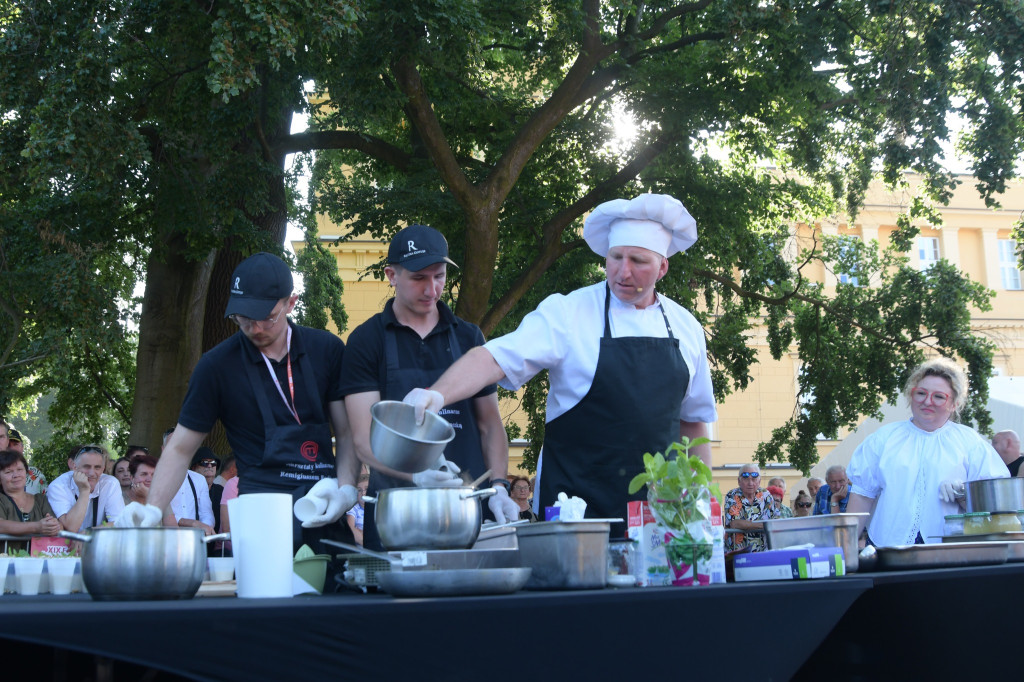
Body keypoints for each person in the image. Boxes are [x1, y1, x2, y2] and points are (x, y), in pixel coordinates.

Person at [403, 195, 717, 537]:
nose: (622, 272)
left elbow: (694, 422)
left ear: (662, 267)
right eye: (615, 258)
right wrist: (436, 395)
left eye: (638, 261)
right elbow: (494, 357)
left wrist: (700, 500)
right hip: (574, 514)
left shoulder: (686, 328)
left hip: (663, 517)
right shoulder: (569, 313)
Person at [123, 252, 360, 550]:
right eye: (244, 319)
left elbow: (348, 431)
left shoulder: (326, 350)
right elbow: (181, 448)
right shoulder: (217, 366)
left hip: (323, 504)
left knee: (334, 591)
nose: (255, 328)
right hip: (261, 515)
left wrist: (347, 488)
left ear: (291, 303)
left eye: (266, 317)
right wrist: (152, 511)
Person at [340, 224, 516, 548]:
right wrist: (417, 478)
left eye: (439, 277)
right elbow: (363, 440)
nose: (432, 290)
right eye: (419, 278)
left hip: (467, 509)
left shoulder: (468, 337)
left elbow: (490, 425)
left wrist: (500, 486)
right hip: (397, 514)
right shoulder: (366, 341)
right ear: (392, 275)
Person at [846, 358, 1009, 545]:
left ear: (954, 403)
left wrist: (966, 496)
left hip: (949, 549)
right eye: (921, 393)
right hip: (887, 545)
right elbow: (862, 495)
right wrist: (846, 548)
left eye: (939, 396)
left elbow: (994, 505)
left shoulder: (970, 443)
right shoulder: (883, 439)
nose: (927, 402)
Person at [47, 444, 125, 532]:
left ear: (103, 469)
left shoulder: (110, 483)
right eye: (86, 467)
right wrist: (84, 491)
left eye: (97, 467)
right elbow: (71, 527)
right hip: (65, 543)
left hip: (98, 540)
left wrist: (90, 532)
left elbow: (119, 523)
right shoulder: (58, 486)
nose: (92, 473)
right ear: (75, 467)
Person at [0, 449, 62, 547]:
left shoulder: (40, 500)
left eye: (20, 470)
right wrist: (37, 527)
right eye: (8, 472)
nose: (16, 475)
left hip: (38, 561)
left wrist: (54, 525)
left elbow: (58, 526)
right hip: (6, 561)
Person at [724, 464, 780, 552]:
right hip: (738, 552)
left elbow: (775, 520)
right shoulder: (732, 495)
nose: (750, 483)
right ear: (739, 481)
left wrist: (748, 525)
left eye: (754, 479)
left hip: (763, 551)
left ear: (759, 481)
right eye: (746, 479)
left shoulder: (766, 495)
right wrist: (763, 526)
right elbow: (734, 523)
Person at [191, 447, 224, 533]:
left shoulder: (222, 491)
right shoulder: (187, 491)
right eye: (204, 463)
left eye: (213, 463)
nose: (210, 466)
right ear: (193, 468)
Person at [346, 474, 369, 546]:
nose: (363, 493)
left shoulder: (377, 507)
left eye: (367, 489)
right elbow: (350, 529)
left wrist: (361, 532)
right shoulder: (353, 508)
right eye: (359, 490)